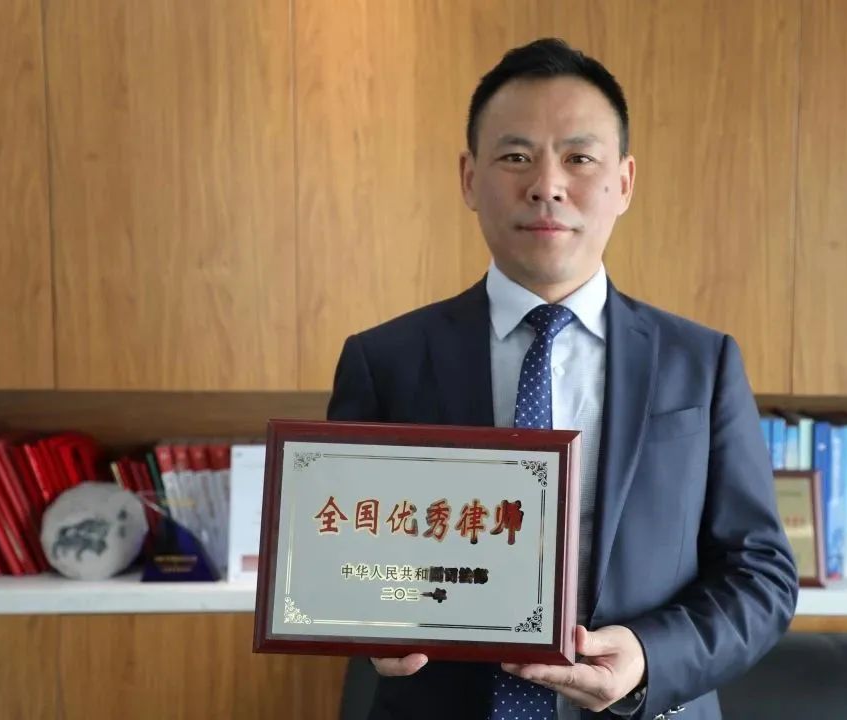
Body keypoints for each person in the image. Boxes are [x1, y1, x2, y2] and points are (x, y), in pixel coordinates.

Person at [327, 37, 798, 720]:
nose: (546, 185)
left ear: (624, 183)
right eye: (516, 157)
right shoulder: (386, 361)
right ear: (468, 178)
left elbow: (761, 575)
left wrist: (648, 657)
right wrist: (366, 625)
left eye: (579, 158)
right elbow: (340, 557)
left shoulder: (702, 364)